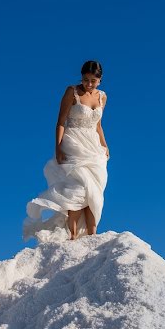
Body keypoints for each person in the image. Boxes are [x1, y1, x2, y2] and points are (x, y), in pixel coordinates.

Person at [22, 60, 110, 242]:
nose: (89, 84)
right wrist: (58, 148)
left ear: (100, 80)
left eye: (93, 80)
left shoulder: (102, 97)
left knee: (94, 188)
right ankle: (72, 234)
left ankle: (93, 234)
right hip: (73, 141)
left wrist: (105, 144)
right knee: (78, 188)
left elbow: (98, 125)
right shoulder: (72, 92)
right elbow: (60, 122)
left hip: (93, 146)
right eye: (86, 80)